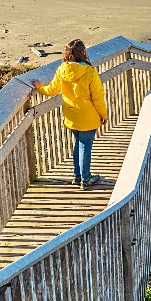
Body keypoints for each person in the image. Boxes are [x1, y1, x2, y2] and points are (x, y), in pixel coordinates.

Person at [31, 39, 108, 189]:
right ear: (83, 53)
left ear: (67, 53)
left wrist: (39, 87)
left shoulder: (62, 69)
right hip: (88, 116)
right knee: (85, 147)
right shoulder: (89, 72)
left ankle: (77, 175)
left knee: (77, 145)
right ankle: (86, 179)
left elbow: (51, 90)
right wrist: (103, 115)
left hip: (71, 114)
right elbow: (98, 97)